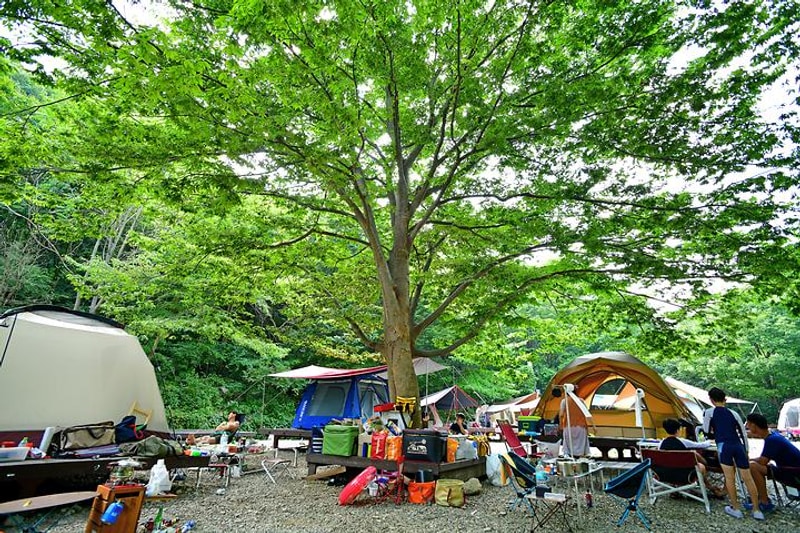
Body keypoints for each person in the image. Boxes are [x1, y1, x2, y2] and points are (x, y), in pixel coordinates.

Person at [702, 387, 762, 520]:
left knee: (729, 478)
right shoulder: (734, 413)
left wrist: (714, 432)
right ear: (725, 399)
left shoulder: (709, 412)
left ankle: (736, 508)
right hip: (738, 446)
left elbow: (706, 431)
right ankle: (757, 510)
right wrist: (746, 450)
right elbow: (743, 433)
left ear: (711, 400)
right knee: (748, 478)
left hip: (724, 446)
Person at [746, 412, 800, 513]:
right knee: (756, 465)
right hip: (791, 470)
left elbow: (762, 461)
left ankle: (764, 502)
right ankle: (760, 497)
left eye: (748, 424)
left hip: (794, 475)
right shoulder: (773, 435)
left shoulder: (772, 440)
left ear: (753, 425)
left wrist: (747, 460)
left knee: (753, 466)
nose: (747, 427)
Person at [659, 418, 725, 498]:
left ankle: (674, 489)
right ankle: (708, 487)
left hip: (666, 474)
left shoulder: (661, 444)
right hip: (685, 475)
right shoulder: (683, 442)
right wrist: (710, 441)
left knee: (673, 462)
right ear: (677, 430)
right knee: (700, 465)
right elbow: (701, 445)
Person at [554, 386, 596, 457]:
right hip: (581, 427)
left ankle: (568, 455)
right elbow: (587, 414)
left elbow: (561, 415)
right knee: (581, 445)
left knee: (568, 445)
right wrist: (593, 426)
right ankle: (581, 456)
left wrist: (560, 425)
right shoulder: (581, 401)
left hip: (569, 427)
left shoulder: (564, 401)